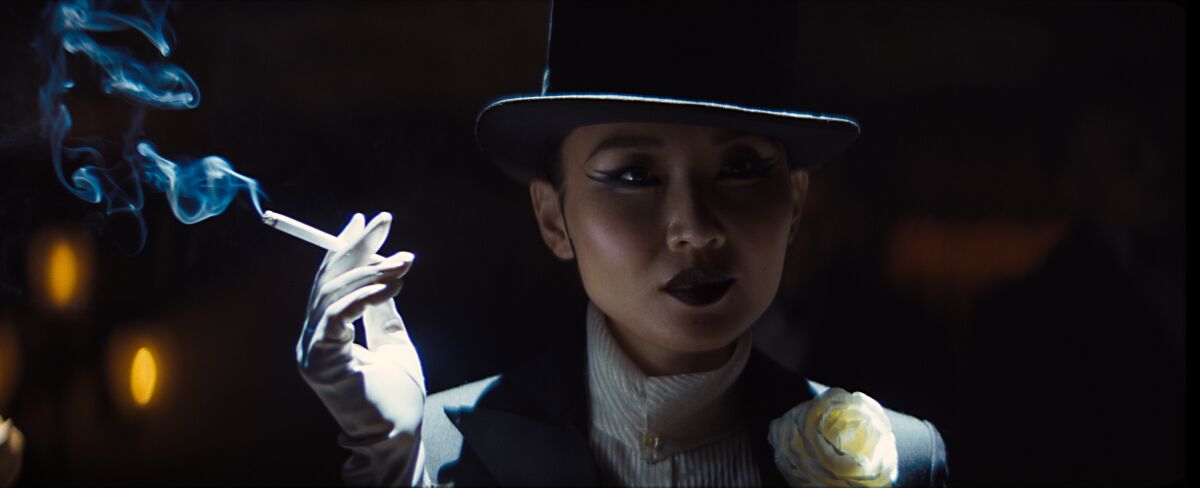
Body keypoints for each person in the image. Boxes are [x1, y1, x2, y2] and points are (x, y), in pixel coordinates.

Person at [296, 2, 949, 486]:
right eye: (634, 175)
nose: (695, 225)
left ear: (796, 203)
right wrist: (393, 468)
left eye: (742, 168)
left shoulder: (900, 459)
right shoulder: (437, 454)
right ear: (554, 219)